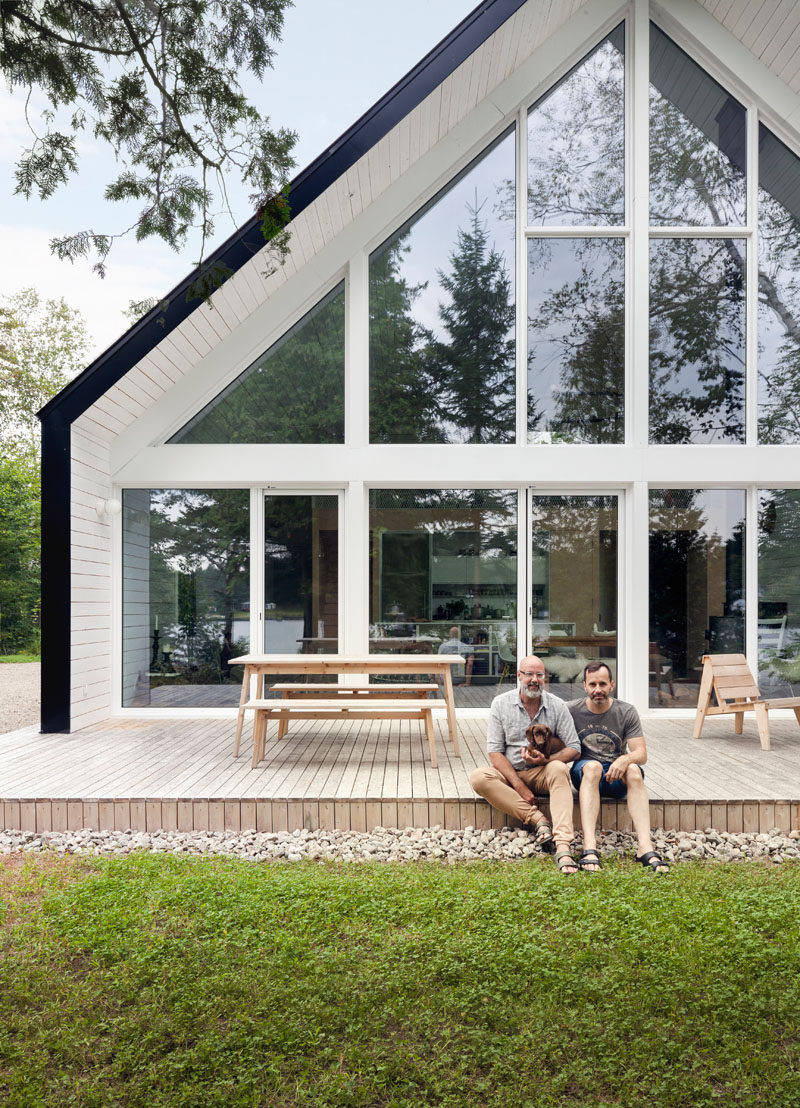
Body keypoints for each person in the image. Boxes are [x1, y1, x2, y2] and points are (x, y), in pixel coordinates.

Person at [470, 655, 581, 874]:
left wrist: (547, 760)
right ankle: (537, 819)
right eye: (529, 674)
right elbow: (494, 751)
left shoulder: (557, 705)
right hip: (510, 774)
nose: (534, 679)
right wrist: (518, 786)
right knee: (479, 777)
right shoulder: (501, 703)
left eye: (539, 675)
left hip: (542, 772)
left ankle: (563, 845)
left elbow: (574, 747)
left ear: (544, 678)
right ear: (519, 676)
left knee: (559, 769)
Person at [568, 662, 669, 874]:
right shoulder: (571, 710)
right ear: (584, 685)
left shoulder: (625, 711)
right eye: (592, 684)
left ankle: (645, 846)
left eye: (602, 684)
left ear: (611, 685)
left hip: (616, 777)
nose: (598, 690)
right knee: (593, 766)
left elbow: (641, 754)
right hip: (586, 774)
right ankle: (589, 846)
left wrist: (623, 760)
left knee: (633, 769)